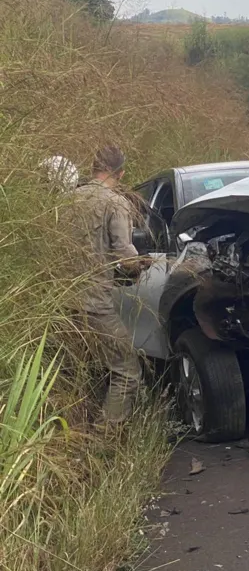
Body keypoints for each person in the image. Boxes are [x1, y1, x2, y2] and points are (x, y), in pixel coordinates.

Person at [69, 146, 150, 424]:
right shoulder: (115, 203)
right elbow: (124, 254)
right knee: (127, 370)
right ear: (121, 173)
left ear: (94, 168)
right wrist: (142, 264)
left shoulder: (68, 199)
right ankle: (106, 439)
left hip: (59, 303)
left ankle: (73, 435)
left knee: (76, 372)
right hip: (94, 303)